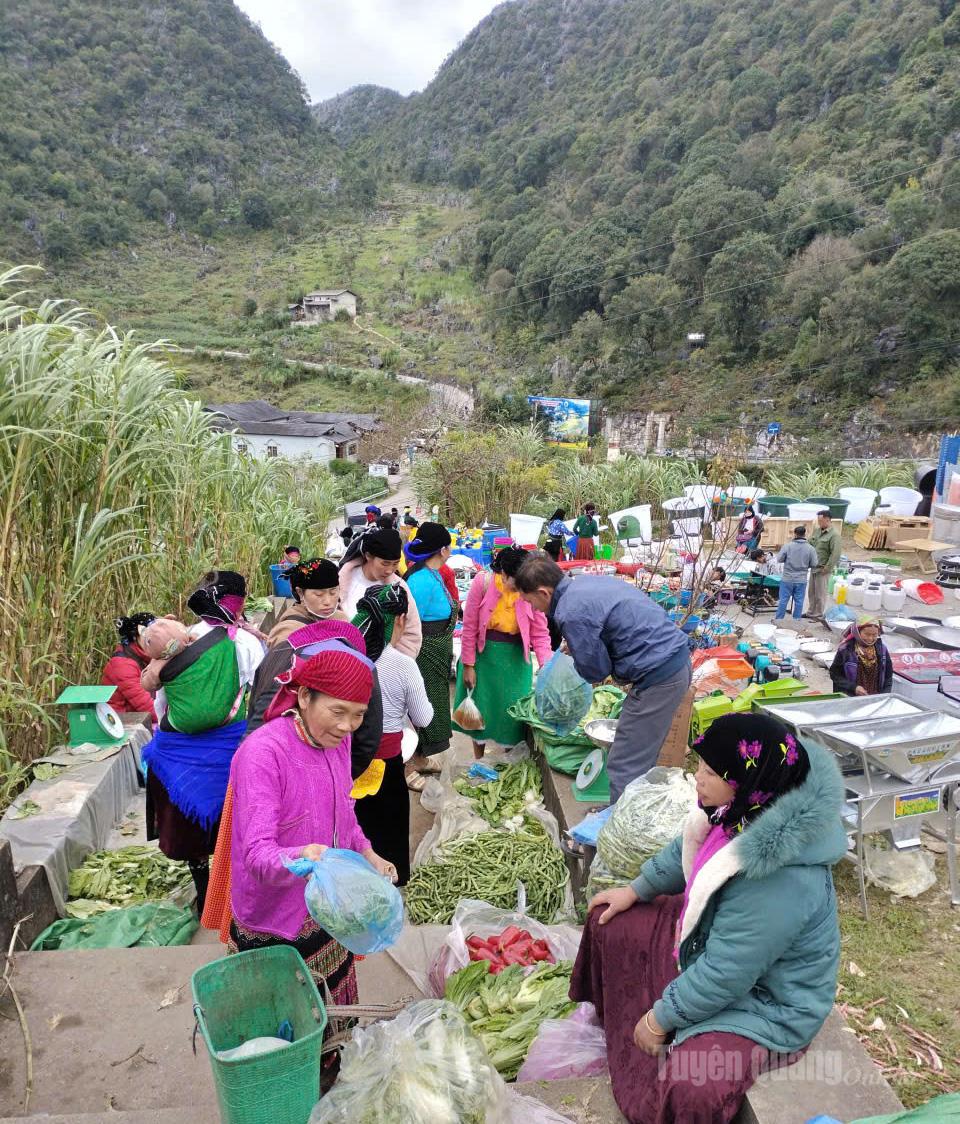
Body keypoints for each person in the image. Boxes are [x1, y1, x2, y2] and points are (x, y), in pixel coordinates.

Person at [573, 713, 846, 1124]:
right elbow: (687, 850)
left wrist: (658, 1018)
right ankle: (610, 1023)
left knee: (694, 1085)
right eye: (697, 765)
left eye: (707, 771)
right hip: (714, 939)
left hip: (767, 1000)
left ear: (743, 783)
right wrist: (635, 890)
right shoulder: (742, 807)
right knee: (608, 920)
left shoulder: (780, 879)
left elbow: (727, 973)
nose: (696, 777)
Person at [228, 647, 397, 1029]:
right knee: (284, 1025)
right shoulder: (263, 754)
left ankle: (332, 1063)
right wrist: (306, 855)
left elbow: (345, 816)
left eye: (358, 715)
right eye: (337, 712)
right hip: (277, 920)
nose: (347, 726)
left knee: (332, 1016)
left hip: (328, 909)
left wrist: (369, 854)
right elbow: (257, 856)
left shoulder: (338, 741)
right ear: (304, 697)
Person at [515, 556, 691, 803]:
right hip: (670, 662)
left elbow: (595, 671)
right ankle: (632, 816)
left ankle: (618, 835)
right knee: (638, 755)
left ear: (543, 593)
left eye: (529, 601)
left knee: (624, 763)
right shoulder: (583, 585)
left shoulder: (569, 611)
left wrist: (578, 658)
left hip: (660, 675)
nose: (533, 608)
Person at [141, 571, 264, 914]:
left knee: (188, 829)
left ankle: (204, 892)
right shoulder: (246, 642)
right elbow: (260, 693)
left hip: (178, 749)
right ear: (238, 602)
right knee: (233, 819)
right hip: (228, 745)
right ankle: (234, 891)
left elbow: (157, 694)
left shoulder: (181, 639)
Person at [351, 584, 433, 885]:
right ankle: (392, 885)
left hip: (347, 761)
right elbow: (424, 718)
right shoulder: (401, 665)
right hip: (386, 761)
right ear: (399, 620)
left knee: (355, 824)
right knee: (391, 828)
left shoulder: (345, 655)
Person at [453, 546, 552, 759]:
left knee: (512, 717)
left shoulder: (530, 587)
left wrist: (547, 666)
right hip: (484, 657)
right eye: (516, 583)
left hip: (515, 659)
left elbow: (540, 633)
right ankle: (479, 760)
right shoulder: (483, 582)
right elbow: (469, 626)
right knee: (481, 711)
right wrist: (469, 665)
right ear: (503, 574)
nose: (520, 589)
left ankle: (510, 760)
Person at [403, 522, 457, 780]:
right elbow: (410, 623)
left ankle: (422, 757)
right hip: (423, 651)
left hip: (435, 650)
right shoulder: (421, 580)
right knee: (420, 706)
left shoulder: (433, 573)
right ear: (443, 549)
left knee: (432, 703)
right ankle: (410, 764)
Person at [338, 527, 422, 655]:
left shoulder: (399, 588)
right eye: (385, 563)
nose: (389, 570)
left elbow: (411, 632)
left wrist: (395, 660)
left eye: (395, 564)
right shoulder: (342, 581)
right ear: (368, 556)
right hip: (343, 661)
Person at [267, 558, 346, 648]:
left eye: (333, 592)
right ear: (300, 592)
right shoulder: (287, 633)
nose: (328, 602)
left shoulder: (342, 619)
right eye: (319, 594)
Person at [101, 613, 158, 722]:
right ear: (135, 637)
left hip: (137, 717)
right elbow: (145, 705)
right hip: (120, 723)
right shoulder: (122, 665)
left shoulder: (146, 656)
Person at [829, 617, 893, 697]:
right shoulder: (846, 650)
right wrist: (854, 687)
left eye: (874, 635)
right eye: (867, 634)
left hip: (875, 698)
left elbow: (888, 677)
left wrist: (884, 695)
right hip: (850, 697)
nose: (870, 638)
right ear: (857, 632)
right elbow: (834, 674)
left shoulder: (882, 650)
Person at [775, 527, 819, 621]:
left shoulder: (787, 546)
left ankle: (778, 620)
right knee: (799, 602)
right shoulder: (811, 549)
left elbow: (779, 559)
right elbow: (814, 564)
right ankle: (796, 621)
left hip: (787, 578)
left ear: (795, 534)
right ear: (805, 534)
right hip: (801, 579)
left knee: (783, 601)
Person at [808, 510, 842, 619]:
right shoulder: (817, 531)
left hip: (823, 569)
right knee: (811, 592)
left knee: (820, 594)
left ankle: (818, 614)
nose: (819, 523)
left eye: (821, 521)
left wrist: (827, 568)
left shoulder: (834, 535)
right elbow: (810, 543)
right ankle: (810, 612)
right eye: (818, 520)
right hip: (813, 567)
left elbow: (835, 554)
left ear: (828, 520)